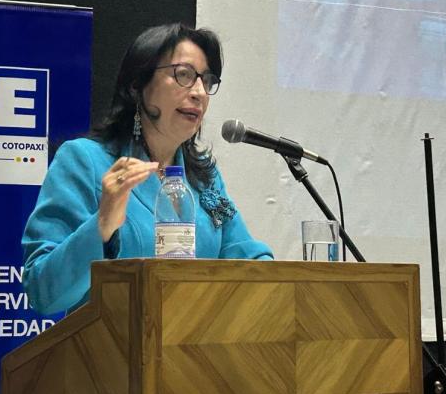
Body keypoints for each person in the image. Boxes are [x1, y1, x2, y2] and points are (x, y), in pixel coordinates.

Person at [21, 23, 273, 315]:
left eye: (206, 81)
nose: (199, 92)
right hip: (112, 342)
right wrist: (102, 223)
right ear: (137, 85)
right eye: (184, 75)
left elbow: (246, 258)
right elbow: (43, 291)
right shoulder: (85, 161)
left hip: (193, 341)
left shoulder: (204, 178)